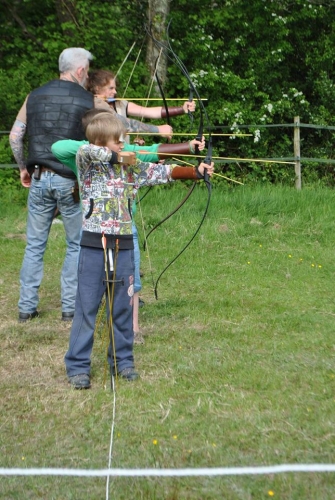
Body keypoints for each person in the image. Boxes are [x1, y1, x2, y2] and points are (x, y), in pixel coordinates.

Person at [9, 49, 174, 324]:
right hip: (69, 179)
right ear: (80, 71)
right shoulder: (88, 99)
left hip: (39, 177)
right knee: (76, 244)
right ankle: (69, 308)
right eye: (86, 70)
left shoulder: (33, 96)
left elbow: (16, 136)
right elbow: (117, 124)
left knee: (34, 245)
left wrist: (23, 167)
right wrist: (157, 133)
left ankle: (27, 308)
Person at [51, 112, 214, 388]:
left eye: (123, 140)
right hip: (94, 246)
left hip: (123, 245)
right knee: (87, 307)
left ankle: (122, 361)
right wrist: (113, 155)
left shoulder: (131, 167)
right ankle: (78, 367)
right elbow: (80, 148)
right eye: (118, 141)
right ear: (103, 142)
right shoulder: (86, 163)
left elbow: (162, 172)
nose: (124, 145)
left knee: (123, 307)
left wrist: (194, 172)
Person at [87, 69, 197, 340]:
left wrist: (180, 112)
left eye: (115, 87)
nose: (114, 92)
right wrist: (155, 135)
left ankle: (132, 328)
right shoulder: (96, 111)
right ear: (96, 91)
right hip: (98, 225)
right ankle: (102, 318)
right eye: (110, 88)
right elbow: (124, 128)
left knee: (131, 270)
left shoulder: (119, 107)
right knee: (99, 276)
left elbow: (150, 114)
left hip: (125, 217)